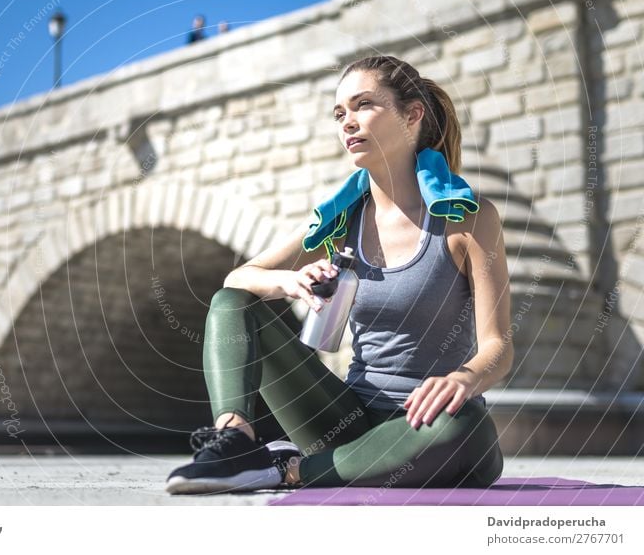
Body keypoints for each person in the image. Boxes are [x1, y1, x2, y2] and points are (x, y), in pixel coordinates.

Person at [165, 54, 512, 495]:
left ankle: (290, 471)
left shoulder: (468, 218)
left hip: (428, 424)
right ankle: (235, 441)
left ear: (412, 115)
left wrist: (464, 379)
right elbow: (237, 281)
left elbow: (499, 346)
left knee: (465, 428)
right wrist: (286, 283)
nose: (347, 122)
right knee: (233, 304)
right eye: (339, 113)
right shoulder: (340, 220)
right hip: (340, 420)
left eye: (363, 105)